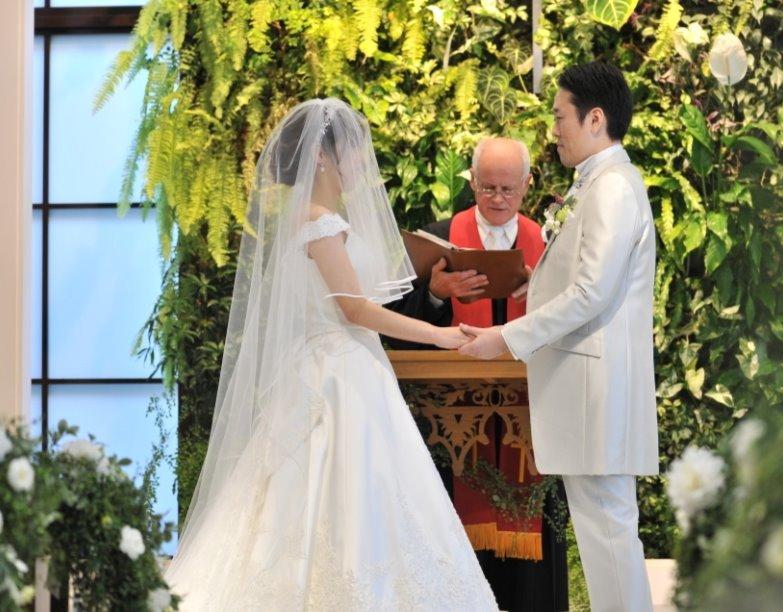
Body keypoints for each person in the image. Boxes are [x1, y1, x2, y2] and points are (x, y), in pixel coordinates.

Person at [165, 98, 497, 611]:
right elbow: (355, 310)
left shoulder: (322, 221)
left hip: (348, 367)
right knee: (344, 489)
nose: (362, 159)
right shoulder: (319, 224)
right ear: (321, 157)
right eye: (352, 149)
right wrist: (441, 336)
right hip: (337, 376)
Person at [459, 62, 659, 611]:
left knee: (609, 534)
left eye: (559, 117)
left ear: (595, 119)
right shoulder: (598, 183)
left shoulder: (612, 188)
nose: (554, 130)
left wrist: (505, 336)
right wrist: (541, 284)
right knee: (604, 534)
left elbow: (593, 291)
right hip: (589, 394)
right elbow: (587, 282)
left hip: (596, 395)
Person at [384, 138, 567, 612]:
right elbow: (395, 327)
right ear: (472, 181)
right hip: (452, 425)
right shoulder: (439, 239)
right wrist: (436, 294)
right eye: (487, 187)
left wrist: (545, 293)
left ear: (527, 185)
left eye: (508, 189)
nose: (497, 198)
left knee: (532, 571)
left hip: (531, 422)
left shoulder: (554, 245)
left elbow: (577, 319)